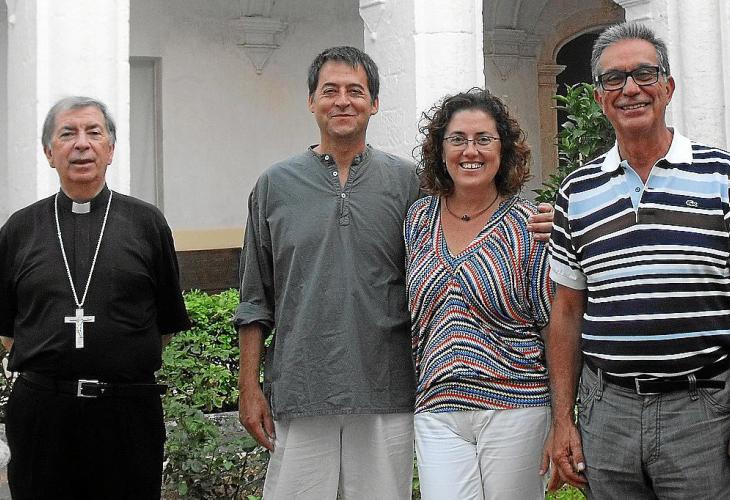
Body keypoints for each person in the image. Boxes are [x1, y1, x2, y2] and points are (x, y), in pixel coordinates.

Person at [235, 47, 555, 499]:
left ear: (374, 103)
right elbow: (254, 298)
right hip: (301, 389)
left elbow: (472, 216)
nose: (342, 101)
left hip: (389, 391)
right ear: (311, 101)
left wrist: (551, 223)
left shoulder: (408, 185)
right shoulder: (275, 185)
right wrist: (249, 387)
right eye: (330, 90)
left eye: (355, 91)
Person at [543, 21, 730, 499]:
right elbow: (567, 311)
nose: (630, 89)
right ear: (598, 97)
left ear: (668, 87)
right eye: (614, 79)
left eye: (644, 74)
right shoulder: (577, 192)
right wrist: (563, 419)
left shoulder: (722, 177)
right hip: (609, 412)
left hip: (703, 409)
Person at [0, 96, 191, 500]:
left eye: (94, 132)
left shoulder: (146, 223)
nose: (82, 144)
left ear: (111, 149)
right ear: (49, 153)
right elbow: (7, 328)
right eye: (67, 134)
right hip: (42, 416)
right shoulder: (20, 228)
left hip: (126, 414)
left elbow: (164, 324)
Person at [405, 88, 554, 500]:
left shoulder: (529, 225)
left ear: (503, 149)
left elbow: (552, 326)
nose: (470, 151)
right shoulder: (418, 220)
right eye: (457, 139)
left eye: (484, 139)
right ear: (441, 150)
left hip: (516, 406)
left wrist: (563, 418)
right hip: (437, 406)